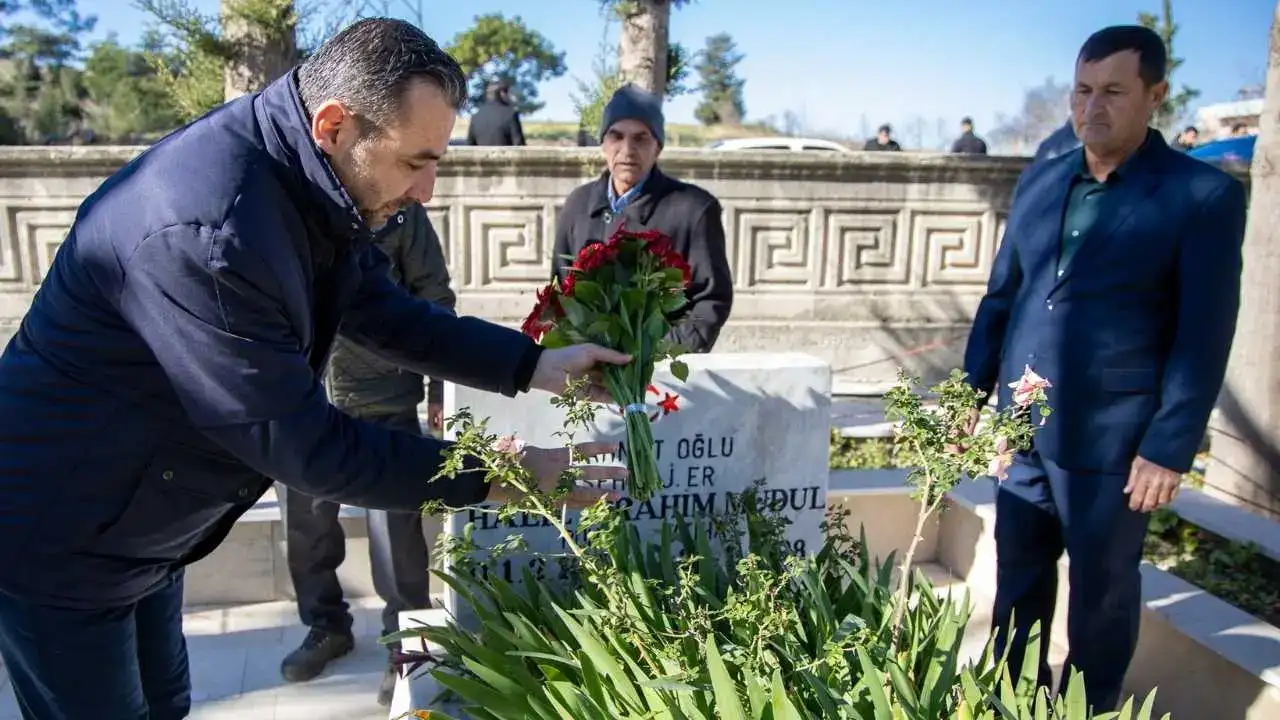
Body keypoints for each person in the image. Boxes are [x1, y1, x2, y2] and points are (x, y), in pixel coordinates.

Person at [0, 18, 627, 720]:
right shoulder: (209, 232)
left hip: (143, 518)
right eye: (414, 162)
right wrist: (502, 475)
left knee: (166, 704)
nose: (426, 192)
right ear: (334, 125)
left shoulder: (303, 175)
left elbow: (383, 312)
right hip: (64, 530)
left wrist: (538, 365)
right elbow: (306, 448)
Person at [959, 25, 1246, 712]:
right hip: (1023, 425)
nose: (1093, 107)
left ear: (1156, 95)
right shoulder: (1042, 180)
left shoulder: (1200, 196)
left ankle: (1090, 707)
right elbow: (1005, 295)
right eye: (1083, 90)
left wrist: (1168, 446)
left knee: (1102, 590)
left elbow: (1204, 333)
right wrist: (973, 391)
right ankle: (1012, 701)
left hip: (1116, 438)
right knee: (1017, 575)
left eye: (1113, 91)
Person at [277, 204, 454, 705]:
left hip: (385, 398)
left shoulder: (400, 210)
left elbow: (434, 297)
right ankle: (326, 626)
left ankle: (406, 641)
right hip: (305, 401)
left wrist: (439, 388)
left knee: (395, 536)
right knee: (305, 527)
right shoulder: (291, 202)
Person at [551, 84, 733, 353]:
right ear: (603, 143)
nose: (627, 150)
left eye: (641, 138)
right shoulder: (578, 204)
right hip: (588, 363)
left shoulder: (694, 210)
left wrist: (654, 355)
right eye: (616, 136)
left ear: (658, 147)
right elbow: (560, 290)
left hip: (659, 365)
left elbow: (710, 300)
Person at [466, 78, 526, 147]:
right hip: (505, 154)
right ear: (502, 93)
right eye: (507, 92)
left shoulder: (475, 117)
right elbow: (519, 145)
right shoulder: (511, 114)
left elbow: (470, 144)